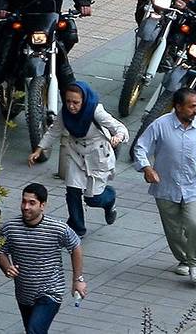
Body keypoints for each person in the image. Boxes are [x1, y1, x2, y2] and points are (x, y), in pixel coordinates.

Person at [133, 88, 196, 285]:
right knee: (173, 229)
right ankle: (184, 258)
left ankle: (195, 264)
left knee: (194, 223)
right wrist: (147, 168)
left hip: (195, 185)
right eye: (192, 107)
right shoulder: (160, 125)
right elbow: (140, 147)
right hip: (166, 186)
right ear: (178, 107)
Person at [29, 81, 129, 237]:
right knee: (72, 191)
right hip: (77, 155)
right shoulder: (65, 113)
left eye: (76, 102)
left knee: (93, 199)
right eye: (68, 101)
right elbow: (54, 130)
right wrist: (39, 149)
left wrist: (118, 137)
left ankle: (109, 199)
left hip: (98, 157)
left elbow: (119, 127)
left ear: (84, 101)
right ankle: (77, 227)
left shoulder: (96, 111)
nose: (71, 106)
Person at [0, 183, 87, 333]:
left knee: (34, 330)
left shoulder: (57, 229)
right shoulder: (10, 228)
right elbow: (0, 251)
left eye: (32, 203)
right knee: (33, 330)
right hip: (24, 293)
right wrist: (6, 267)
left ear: (42, 205)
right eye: (24, 201)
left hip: (50, 291)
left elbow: (75, 246)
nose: (26, 207)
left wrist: (78, 280)